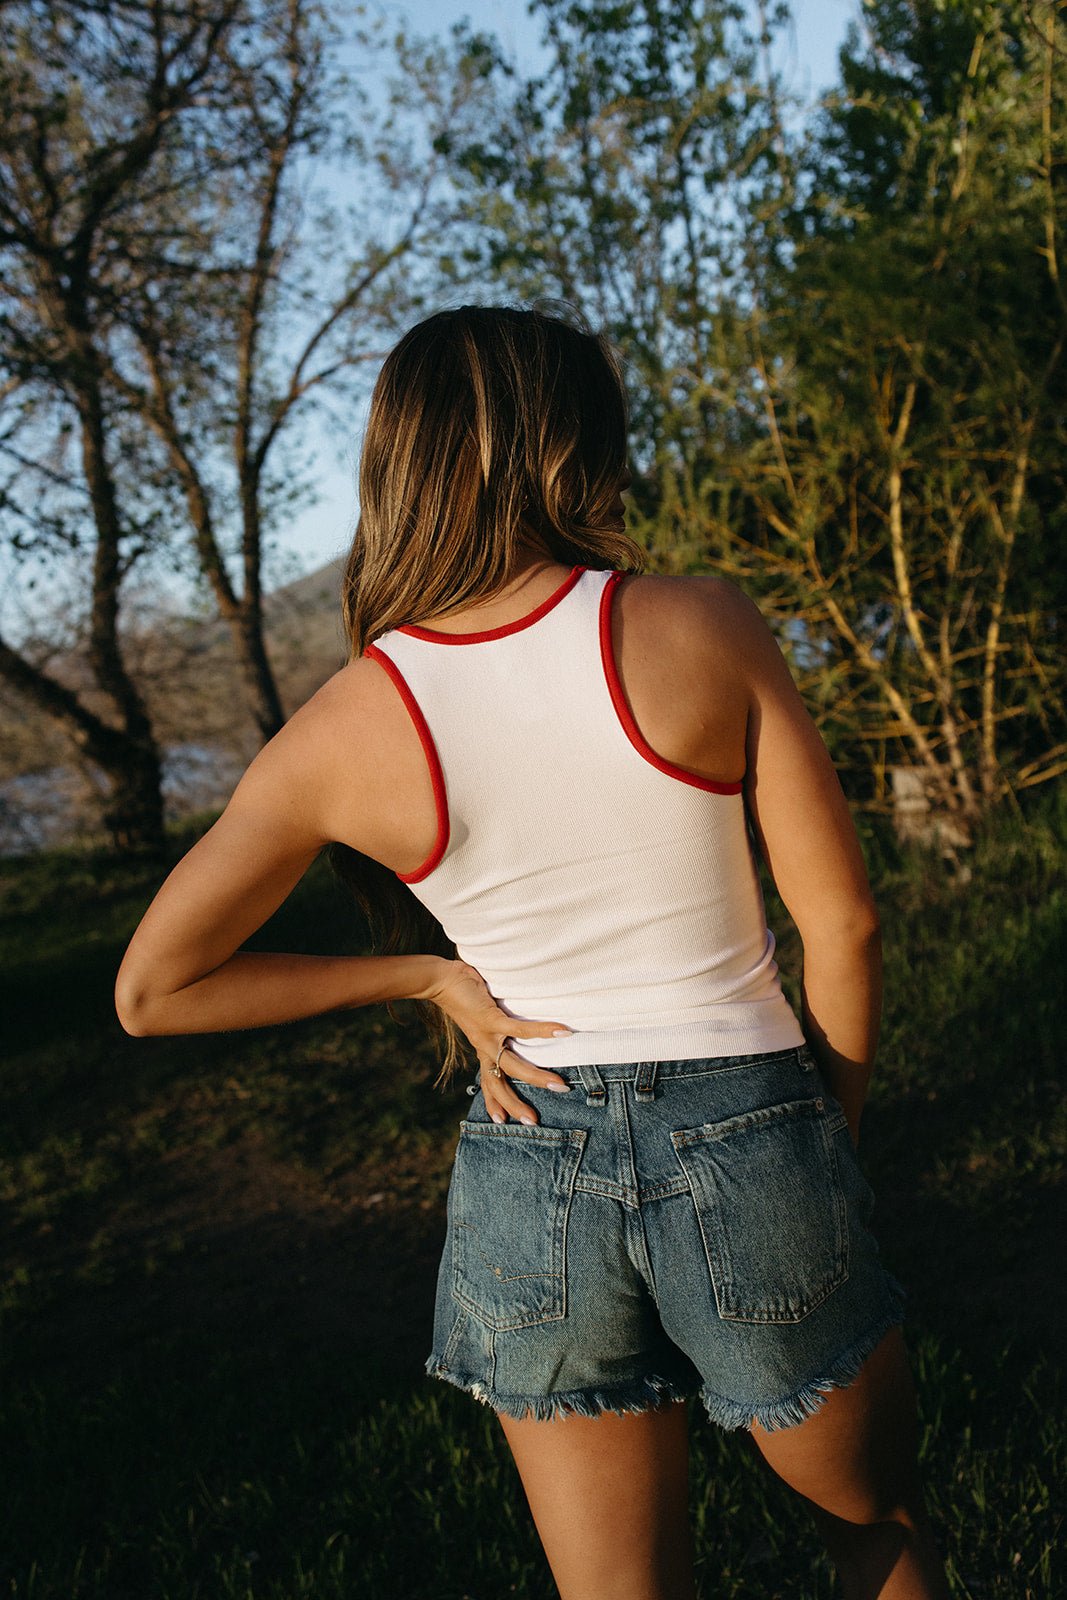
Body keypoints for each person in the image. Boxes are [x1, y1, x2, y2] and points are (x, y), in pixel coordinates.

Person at [116, 304, 949, 1600]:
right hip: (751, 1125)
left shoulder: (346, 722)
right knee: (877, 1527)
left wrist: (429, 973)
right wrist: (822, 1140)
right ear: (575, 446)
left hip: (526, 1163)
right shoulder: (703, 624)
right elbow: (845, 923)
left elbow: (150, 988)